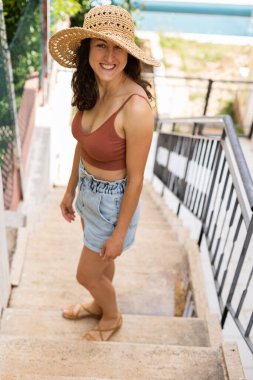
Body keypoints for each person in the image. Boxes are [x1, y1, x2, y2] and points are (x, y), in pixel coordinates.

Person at [49, 4, 160, 341]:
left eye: (118, 46)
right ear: (88, 50)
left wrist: (119, 234)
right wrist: (70, 190)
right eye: (101, 45)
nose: (109, 55)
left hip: (112, 205)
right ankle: (99, 304)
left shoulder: (137, 108)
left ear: (129, 52)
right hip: (88, 191)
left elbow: (137, 180)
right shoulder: (91, 86)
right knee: (100, 266)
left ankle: (111, 316)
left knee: (86, 273)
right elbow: (83, 143)